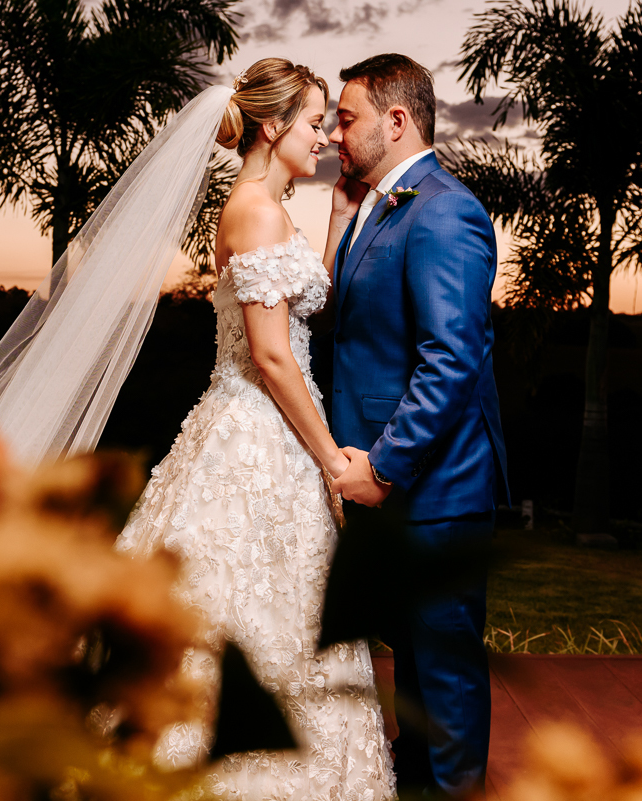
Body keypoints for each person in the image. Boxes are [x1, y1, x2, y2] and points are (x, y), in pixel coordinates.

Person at [109, 58, 396, 797]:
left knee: (276, 609)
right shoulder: (256, 211)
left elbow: (301, 306)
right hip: (258, 433)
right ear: (272, 127)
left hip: (263, 430)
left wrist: (336, 219)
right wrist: (333, 457)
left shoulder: (261, 208)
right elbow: (271, 355)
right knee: (264, 612)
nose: (327, 134)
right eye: (312, 121)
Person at [324, 55, 510, 799]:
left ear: (396, 121)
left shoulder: (444, 210)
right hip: (390, 486)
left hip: (434, 487)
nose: (336, 134)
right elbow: (353, 333)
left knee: (446, 664)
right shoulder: (380, 206)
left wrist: (382, 466)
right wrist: (339, 225)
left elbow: (449, 360)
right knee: (414, 658)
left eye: (346, 119)